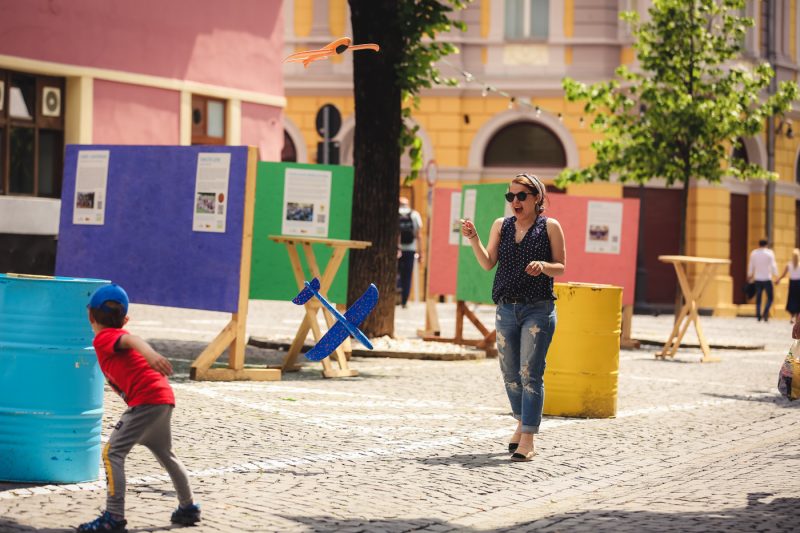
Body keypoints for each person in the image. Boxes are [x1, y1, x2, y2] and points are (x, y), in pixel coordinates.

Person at [77, 284, 200, 532]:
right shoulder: (113, 339)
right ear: (126, 318)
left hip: (147, 401)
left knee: (112, 453)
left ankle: (113, 516)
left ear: (90, 315)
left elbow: (130, 339)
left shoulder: (104, 338)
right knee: (166, 453)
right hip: (162, 398)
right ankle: (188, 507)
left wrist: (151, 354)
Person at [460, 174, 565, 462]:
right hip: (506, 308)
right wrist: (474, 238)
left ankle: (528, 438)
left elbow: (561, 267)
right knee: (510, 375)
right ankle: (521, 422)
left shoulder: (550, 227)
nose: (515, 202)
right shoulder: (501, 226)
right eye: (511, 197)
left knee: (531, 373)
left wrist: (544, 266)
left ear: (537, 198)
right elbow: (486, 262)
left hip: (538, 309)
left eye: (521, 196)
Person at [397, 196, 423, 308]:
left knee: (396, 275)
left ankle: (395, 298)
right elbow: (419, 235)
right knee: (407, 276)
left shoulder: (395, 213)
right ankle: (404, 301)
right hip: (410, 250)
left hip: (397, 250)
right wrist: (421, 252)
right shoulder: (415, 214)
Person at [747, 239, 778, 322]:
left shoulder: (754, 253)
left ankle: (758, 315)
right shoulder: (769, 253)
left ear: (759, 244)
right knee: (770, 298)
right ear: (766, 245)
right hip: (767, 278)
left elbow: (751, 265)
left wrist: (749, 275)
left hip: (758, 278)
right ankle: (765, 312)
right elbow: (773, 265)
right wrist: (776, 275)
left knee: (758, 298)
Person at [776, 248, 800, 323]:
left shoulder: (789, 264)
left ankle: (792, 316)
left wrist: (778, 280)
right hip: (799, 283)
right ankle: (797, 317)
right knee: (798, 300)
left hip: (792, 283)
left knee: (791, 299)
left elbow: (783, 274)